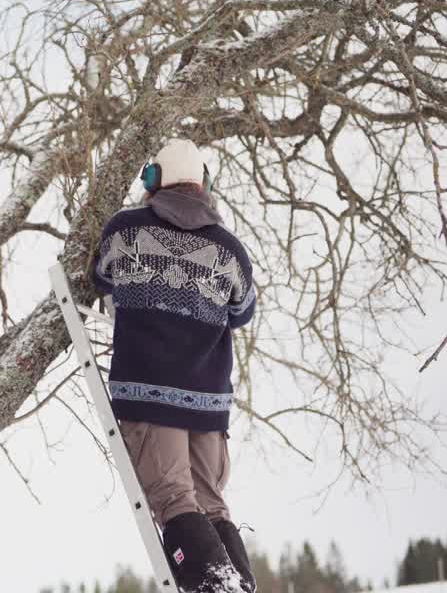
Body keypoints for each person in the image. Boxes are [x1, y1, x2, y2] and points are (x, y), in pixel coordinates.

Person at [90, 138, 257, 593]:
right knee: (212, 505)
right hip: (208, 405)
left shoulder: (124, 231)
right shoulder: (230, 251)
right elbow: (242, 312)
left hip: (149, 398)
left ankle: (215, 587)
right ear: (204, 184)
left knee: (174, 499)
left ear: (153, 179)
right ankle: (239, 586)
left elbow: (100, 276)